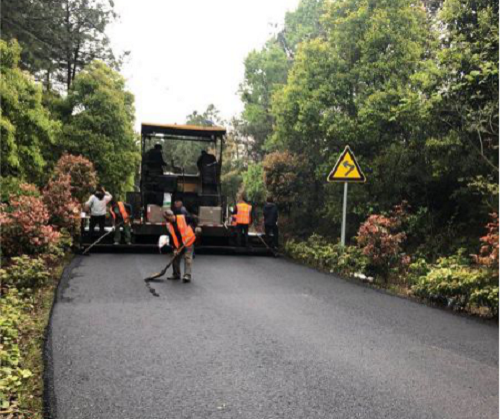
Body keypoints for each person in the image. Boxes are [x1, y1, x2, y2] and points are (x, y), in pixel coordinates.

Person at [163, 209, 196, 283]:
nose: (167, 220)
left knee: (187, 257)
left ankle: (187, 275)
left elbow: (194, 219)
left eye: (168, 218)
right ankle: (176, 274)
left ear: (171, 215)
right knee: (175, 256)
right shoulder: (169, 224)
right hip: (179, 243)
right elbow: (171, 237)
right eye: (166, 219)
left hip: (188, 240)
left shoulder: (183, 217)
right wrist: (174, 248)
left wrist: (194, 227)